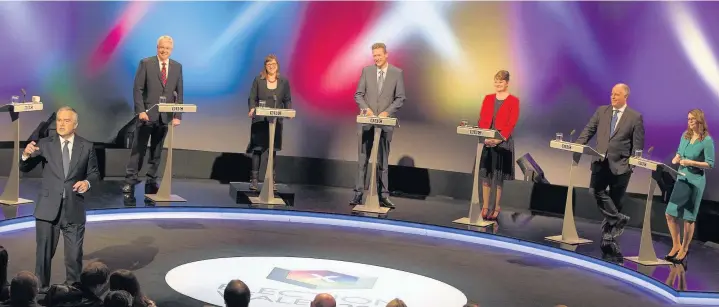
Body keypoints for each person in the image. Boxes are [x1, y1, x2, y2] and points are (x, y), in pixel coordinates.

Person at [19, 106, 100, 290]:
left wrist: (87, 183)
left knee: (74, 257)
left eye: (66, 120)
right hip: (48, 210)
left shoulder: (86, 146)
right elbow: (25, 168)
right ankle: (40, 292)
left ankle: (73, 291)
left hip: (73, 208)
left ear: (75, 124)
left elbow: (94, 173)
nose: (61, 124)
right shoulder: (45, 143)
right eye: (59, 120)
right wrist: (25, 155)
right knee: (43, 257)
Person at [575, 83, 644, 247]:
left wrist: (631, 166)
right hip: (600, 162)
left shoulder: (635, 117)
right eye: (612, 94)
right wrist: (578, 146)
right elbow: (588, 130)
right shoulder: (601, 111)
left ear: (625, 97)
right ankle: (619, 218)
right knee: (595, 191)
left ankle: (608, 234)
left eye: (617, 94)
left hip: (621, 166)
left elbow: (638, 145)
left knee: (615, 200)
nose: (612, 97)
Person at [122, 35, 183, 201]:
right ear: (157, 48)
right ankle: (130, 180)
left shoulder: (177, 67)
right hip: (146, 115)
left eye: (167, 48)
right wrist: (140, 111)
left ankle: (151, 180)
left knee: (156, 152)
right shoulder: (146, 63)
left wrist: (177, 115)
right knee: (138, 150)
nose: (164, 51)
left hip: (165, 116)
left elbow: (180, 92)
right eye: (161, 47)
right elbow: (138, 89)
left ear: (171, 50)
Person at [351, 42, 406, 209]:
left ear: (386, 55)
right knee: (363, 160)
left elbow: (400, 97)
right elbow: (358, 94)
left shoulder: (397, 73)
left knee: (383, 161)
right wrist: (366, 109)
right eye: (374, 55)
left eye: (379, 55)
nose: (376, 58)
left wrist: (387, 112)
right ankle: (358, 194)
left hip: (385, 123)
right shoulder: (367, 71)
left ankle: (383, 196)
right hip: (367, 122)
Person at [664, 109, 714, 265]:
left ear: (700, 120)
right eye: (688, 119)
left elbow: (710, 164)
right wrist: (677, 157)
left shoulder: (706, 140)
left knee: (688, 217)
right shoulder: (685, 136)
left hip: (695, 181)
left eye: (693, 119)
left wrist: (691, 162)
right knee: (670, 214)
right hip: (682, 178)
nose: (690, 122)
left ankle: (684, 249)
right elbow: (680, 153)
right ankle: (676, 245)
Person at [477, 70, 520, 220]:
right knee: (486, 175)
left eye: (501, 81)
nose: (498, 84)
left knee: (498, 176)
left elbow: (511, 123)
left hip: (503, 142)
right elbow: (482, 119)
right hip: (488, 140)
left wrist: (499, 139)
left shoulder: (514, 101)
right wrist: (486, 136)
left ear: (507, 83)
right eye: (496, 81)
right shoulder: (488, 98)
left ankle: (496, 207)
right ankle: (485, 206)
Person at [247, 54, 292, 191]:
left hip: (275, 121)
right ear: (265, 66)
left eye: (274, 64)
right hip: (260, 120)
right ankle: (254, 180)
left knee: (272, 151)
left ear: (277, 65)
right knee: (257, 150)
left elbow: (287, 99)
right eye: (269, 64)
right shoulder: (258, 80)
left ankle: (271, 180)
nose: (271, 67)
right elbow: (252, 98)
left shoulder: (283, 81)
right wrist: (252, 109)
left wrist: (288, 112)